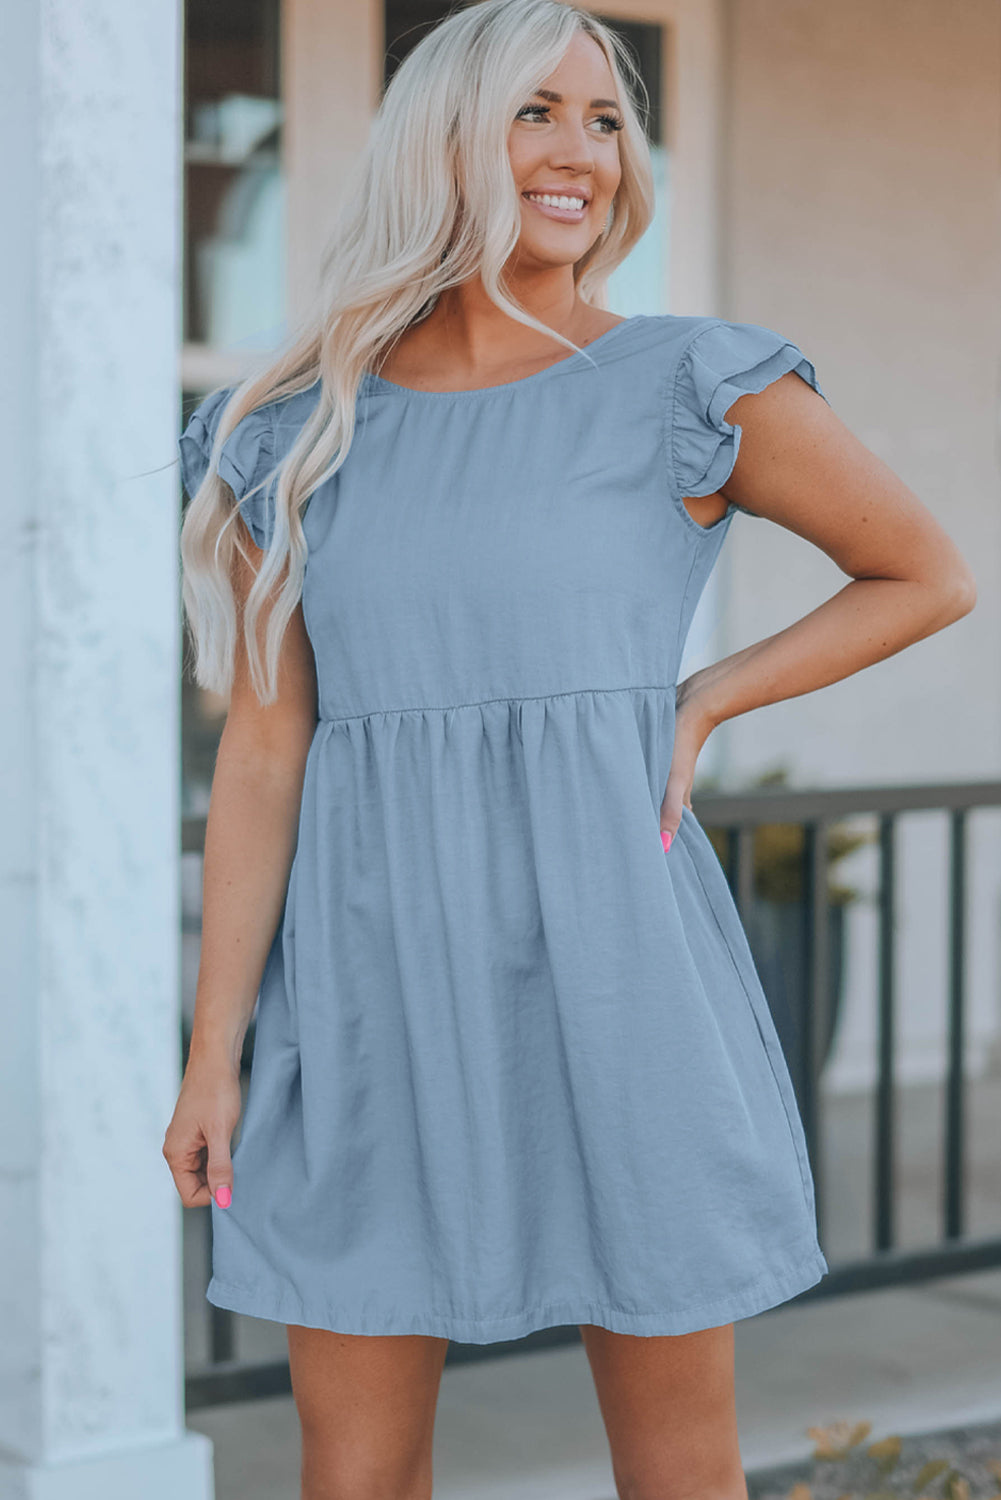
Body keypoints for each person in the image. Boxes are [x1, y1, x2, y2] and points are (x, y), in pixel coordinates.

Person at [163, 1, 976, 1496]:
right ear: (441, 140)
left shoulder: (689, 383)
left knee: (675, 1472)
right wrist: (214, 1053)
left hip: (617, 972)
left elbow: (922, 573)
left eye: (605, 119)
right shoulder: (293, 430)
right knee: (352, 1474)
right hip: (362, 995)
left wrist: (702, 700)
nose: (581, 152)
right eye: (534, 111)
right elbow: (266, 758)